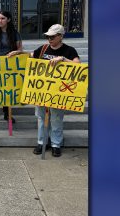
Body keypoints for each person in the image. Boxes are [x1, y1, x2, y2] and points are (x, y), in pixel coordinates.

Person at [10, 24, 81, 157]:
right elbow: (31, 55)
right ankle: (42, 142)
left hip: (59, 93)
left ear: (60, 36)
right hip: (41, 92)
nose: (49, 39)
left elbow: (77, 65)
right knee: (41, 118)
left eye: (52, 37)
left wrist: (63, 59)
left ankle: (56, 144)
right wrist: (19, 52)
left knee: (56, 119)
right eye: (48, 36)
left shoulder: (69, 50)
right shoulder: (43, 49)